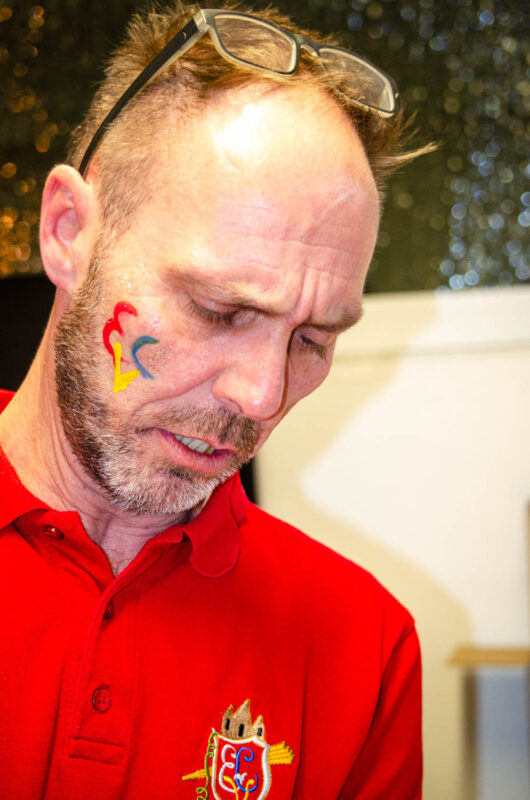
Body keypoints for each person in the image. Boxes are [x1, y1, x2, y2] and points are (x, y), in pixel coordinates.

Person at [0, 2, 426, 797]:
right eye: (218, 310)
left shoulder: (364, 650)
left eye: (313, 339)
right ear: (66, 232)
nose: (262, 397)